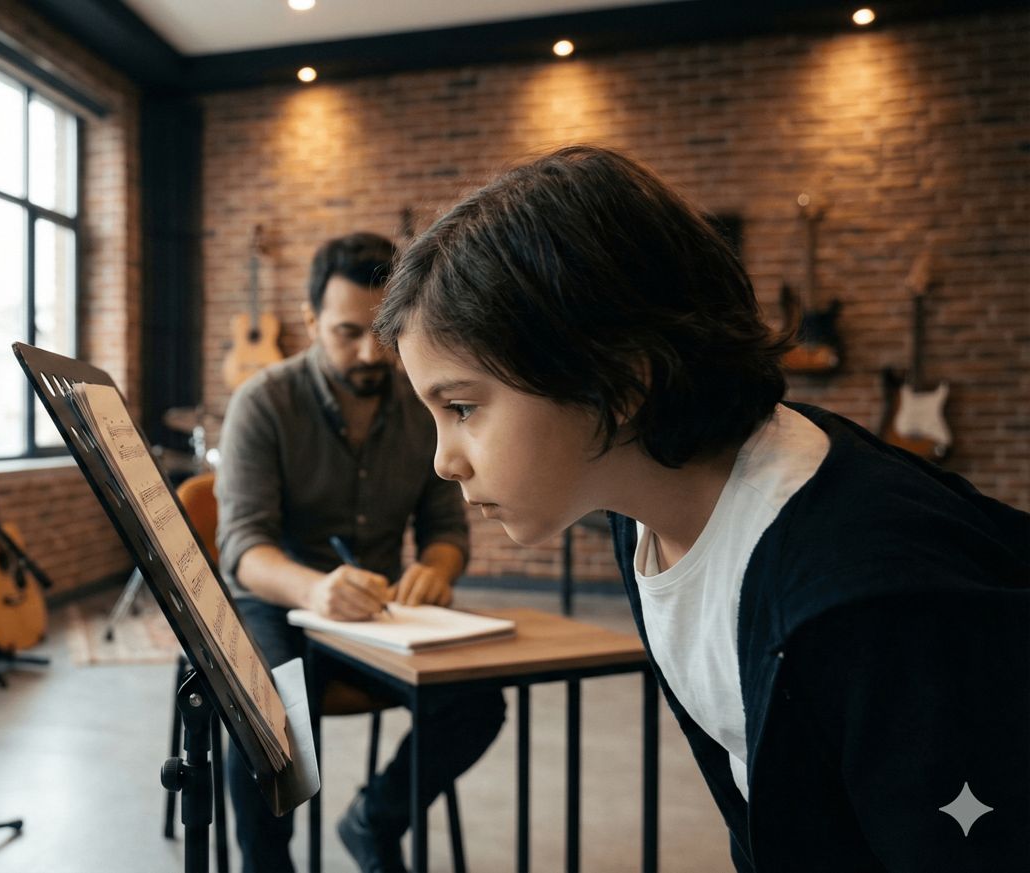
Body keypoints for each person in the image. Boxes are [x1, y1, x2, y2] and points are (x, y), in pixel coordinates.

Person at [373, 144, 1030, 872]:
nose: (442, 458)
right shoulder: (642, 512)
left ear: (621, 384)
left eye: (462, 406)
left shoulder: (863, 595)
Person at [216, 232, 506, 872]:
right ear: (310, 319)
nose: (368, 351)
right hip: (280, 605)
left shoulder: (420, 403)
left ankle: (372, 821)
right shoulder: (263, 402)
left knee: (478, 699)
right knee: (270, 712)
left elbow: (446, 531)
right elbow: (242, 549)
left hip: (376, 611)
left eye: (381, 331)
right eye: (346, 331)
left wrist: (435, 570)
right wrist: (314, 589)